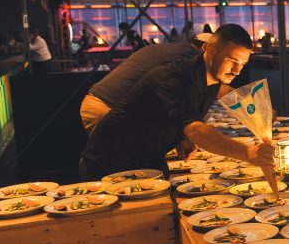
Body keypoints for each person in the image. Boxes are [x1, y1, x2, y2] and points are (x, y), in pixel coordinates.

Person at [81, 24, 275, 186]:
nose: (237, 70)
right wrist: (247, 152)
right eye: (232, 61)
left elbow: (184, 116)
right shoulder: (174, 75)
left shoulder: (211, 81)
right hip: (112, 161)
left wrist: (181, 136)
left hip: (148, 159)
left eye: (242, 64)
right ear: (210, 50)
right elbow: (196, 130)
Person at [79, 33, 214, 135]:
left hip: (99, 102)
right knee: (117, 161)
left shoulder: (175, 49)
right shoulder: (189, 56)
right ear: (205, 47)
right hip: (106, 106)